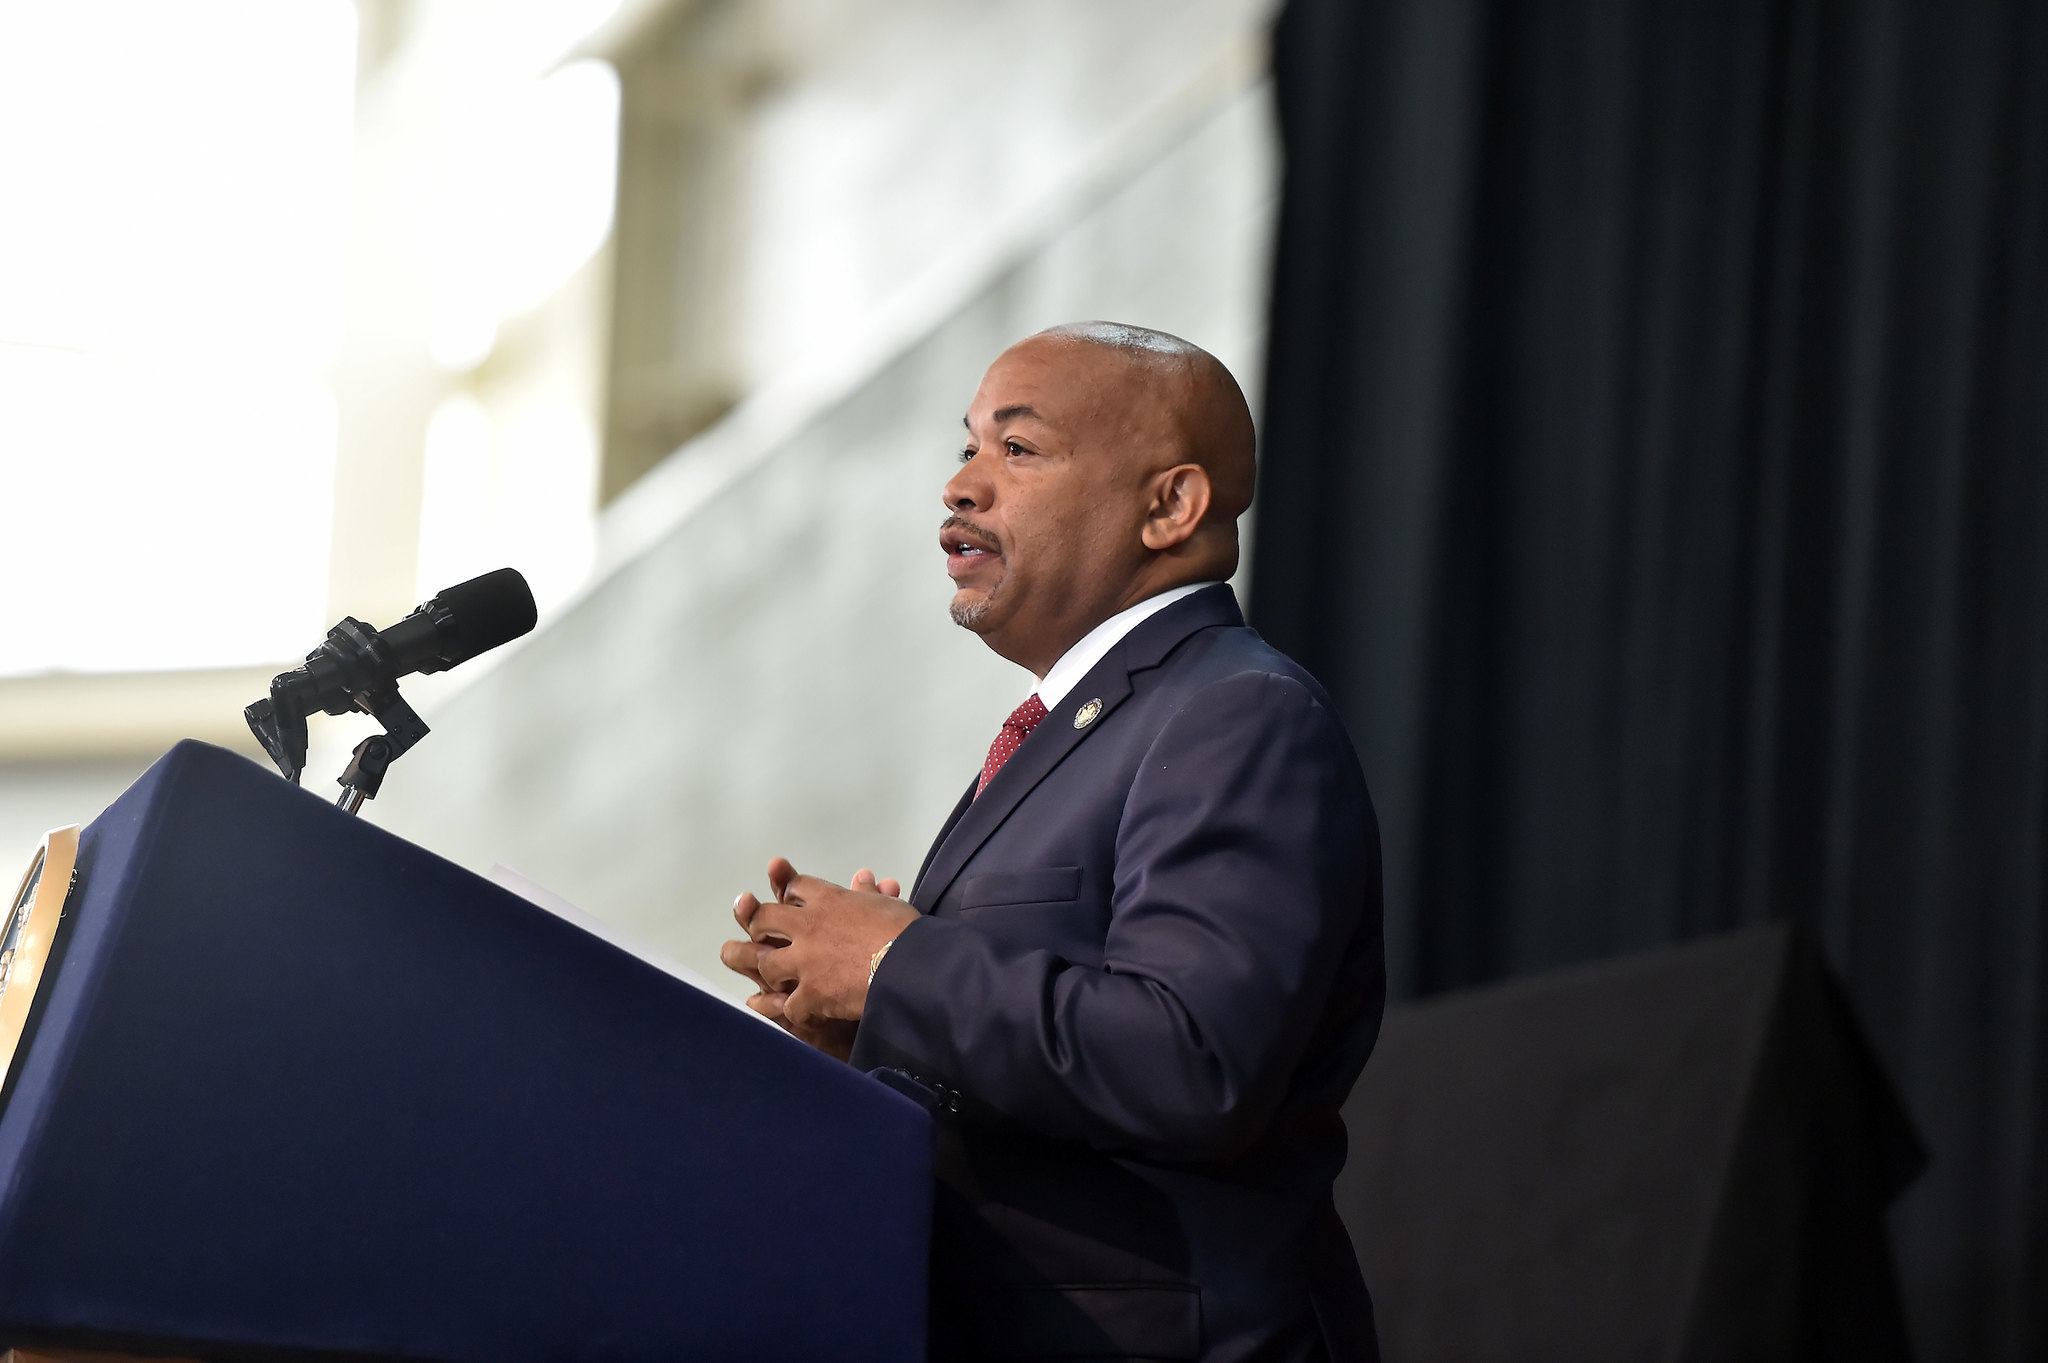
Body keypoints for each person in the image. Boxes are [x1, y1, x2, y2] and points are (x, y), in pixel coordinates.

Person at [721, 322, 1385, 1362]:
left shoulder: (1237, 712)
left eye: (1018, 448)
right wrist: (879, 1030)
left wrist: (895, 960)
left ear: (1169, 505)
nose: (960, 485)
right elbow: (1057, 1074)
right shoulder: (1078, 729)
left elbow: (1192, 1061)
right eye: (967, 445)